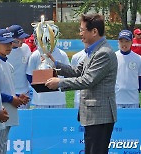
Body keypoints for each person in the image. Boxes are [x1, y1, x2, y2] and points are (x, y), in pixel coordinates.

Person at [45, 14, 118, 154]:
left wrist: (60, 83)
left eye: (82, 30)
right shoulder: (93, 51)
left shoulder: (103, 53)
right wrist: (55, 64)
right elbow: (77, 71)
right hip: (94, 116)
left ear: (94, 31)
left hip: (100, 116)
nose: (80, 34)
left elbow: (87, 80)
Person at [0, 28, 29, 153]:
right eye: (4, 43)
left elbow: (7, 88)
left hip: (7, 113)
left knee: (2, 146)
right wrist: (12, 99)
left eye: (10, 43)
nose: (9, 46)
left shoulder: (7, 64)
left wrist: (17, 96)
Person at [26, 24, 70, 108]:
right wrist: (41, 87)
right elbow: (29, 75)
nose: (47, 40)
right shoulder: (35, 55)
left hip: (58, 99)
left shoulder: (62, 54)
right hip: (40, 100)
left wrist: (58, 83)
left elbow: (68, 73)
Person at [7, 25, 32, 109]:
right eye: (20, 38)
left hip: (25, 94)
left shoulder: (26, 48)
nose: (23, 40)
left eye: (23, 38)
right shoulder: (5, 52)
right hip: (10, 95)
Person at [115, 30, 141, 108]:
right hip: (117, 99)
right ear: (118, 42)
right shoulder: (113, 57)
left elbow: (140, 77)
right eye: (121, 41)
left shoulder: (138, 58)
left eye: (127, 41)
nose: (124, 44)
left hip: (133, 100)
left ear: (131, 42)